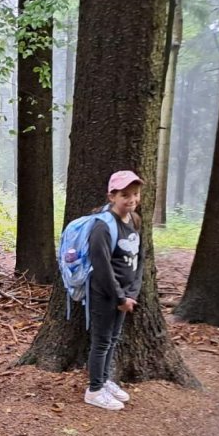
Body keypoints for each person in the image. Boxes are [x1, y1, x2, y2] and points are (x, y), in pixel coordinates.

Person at [84, 170, 144, 410]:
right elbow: (102, 267)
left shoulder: (134, 220)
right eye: (125, 195)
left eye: (135, 194)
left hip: (124, 295)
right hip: (103, 294)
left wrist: (132, 293)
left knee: (113, 338)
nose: (132, 199)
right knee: (101, 342)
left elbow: (139, 259)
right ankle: (94, 390)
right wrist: (120, 297)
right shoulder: (103, 226)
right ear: (112, 196)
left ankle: (105, 379)